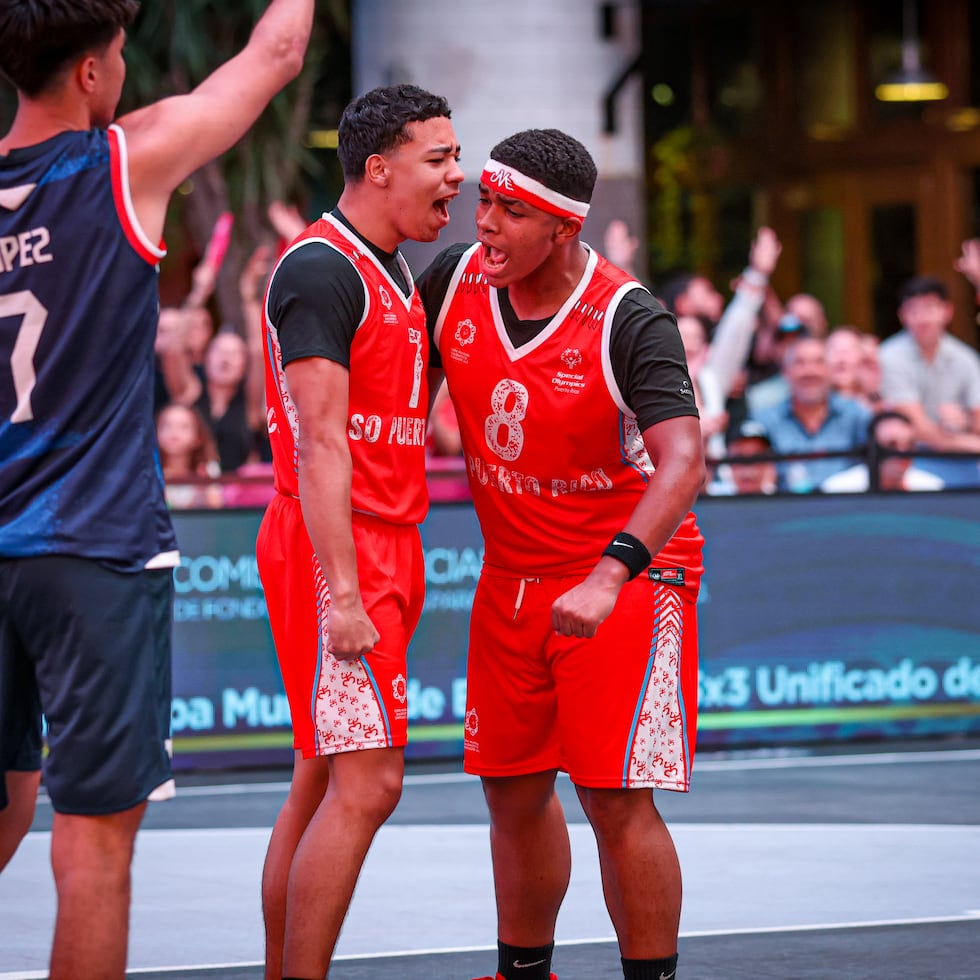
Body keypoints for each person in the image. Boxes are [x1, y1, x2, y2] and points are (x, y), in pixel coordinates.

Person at [0, 1, 313, 976]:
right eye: (123, 53)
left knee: (8, 804)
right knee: (94, 840)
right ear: (92, 72)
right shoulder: (120, 161)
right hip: (92, 545)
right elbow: (277, 51)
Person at [419, 129, 705, 980]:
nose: (489, 226)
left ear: (565, 229)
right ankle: (521, 973)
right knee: (509, 790)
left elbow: (685, 462)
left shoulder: (630, 316)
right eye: (485, 204)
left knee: (614, 799)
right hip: (510, 578)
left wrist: (612, 572)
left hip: (623, 578)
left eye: (514, 212)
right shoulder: (454, 280)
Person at [256, 83, 463, 979]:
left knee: (320, 778)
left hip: (382, 538)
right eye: (440, 158)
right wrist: (344, 592)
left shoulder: (391, 270)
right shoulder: (319, 269)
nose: (458, 176)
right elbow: (321, 444)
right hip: (335, 548)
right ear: (379, 168)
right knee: (369, 784)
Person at [751, 335, 871, 492]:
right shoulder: (764, 422)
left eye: (818, 362)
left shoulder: (856, 416)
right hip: (786, 512)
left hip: (848, 511)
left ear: (830, 371)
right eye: (800, 363)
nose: (809, 371)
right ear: (785, 372)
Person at [878, 274, 980, 454]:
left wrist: (965, 421)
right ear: (902, 315)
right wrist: (971, 443)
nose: (922, 318)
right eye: (913, 310)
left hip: (962, 457)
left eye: (929, 308)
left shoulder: (965, 358)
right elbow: (916, 429)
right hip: (908, 456)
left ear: (947, 311)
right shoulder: (889, 356)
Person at [821, 410, 945, 493]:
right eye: (892, 445)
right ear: (872, 449)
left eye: (909, 445)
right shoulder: (839, 489)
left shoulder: (932, 488)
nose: (903, 453)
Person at [706, 419, 777, 496]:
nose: (748, 469)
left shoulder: (784, 501)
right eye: (740, 458)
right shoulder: (714, 498)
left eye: (756, 458)